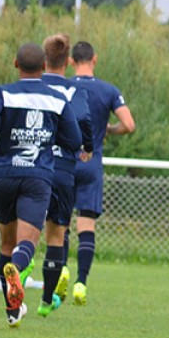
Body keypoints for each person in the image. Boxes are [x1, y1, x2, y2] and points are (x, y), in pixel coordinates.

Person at [0, 42, 82, 327]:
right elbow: (73, 140)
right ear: (44, 67)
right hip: (37, 176)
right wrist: (46, 138)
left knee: (6, 244)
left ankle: (12, 311)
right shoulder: (57, 99)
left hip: (4, 174)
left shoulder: (3, 93)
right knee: (26, 243)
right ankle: (17, 269)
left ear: (15, 64)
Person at [70, 41, 136, 306]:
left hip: (65, 162)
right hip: (91, 162)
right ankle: (81, 283)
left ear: (72, 62)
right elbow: (129, 125)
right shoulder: (108, 90)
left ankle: (59, 271)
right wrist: (110, 130)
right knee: (86, 224)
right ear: (94, 59)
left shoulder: (63, 87)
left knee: (59, 224)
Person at [37, 33, 94, 317]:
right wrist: (88, 147)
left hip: (32, 167)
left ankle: (17, 281)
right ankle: (46, 302)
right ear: (67, 61)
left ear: (44, 59)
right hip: (61, 169)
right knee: (56, 236)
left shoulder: (33, 86)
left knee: (22, 236)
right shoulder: (73, 91)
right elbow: (84, 120)